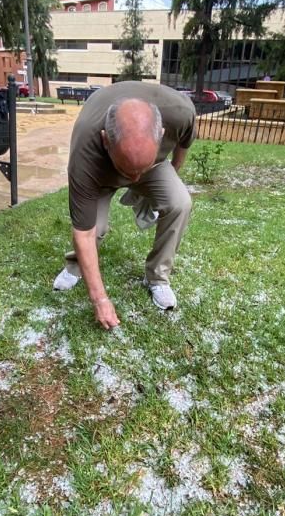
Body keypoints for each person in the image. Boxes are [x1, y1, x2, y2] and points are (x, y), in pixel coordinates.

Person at [52, 82, 196, 330]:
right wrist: (100, 300)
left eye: (139, 173)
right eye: (127, 172)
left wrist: (165, 179)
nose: (134, 181)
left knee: (180, 202)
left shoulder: (180, 112)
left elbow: (184, 142)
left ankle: (158, 278)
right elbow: (83, 232)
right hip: (102, 171)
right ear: (105, 140)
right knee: (95, 228)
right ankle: (75, 267)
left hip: (153, 164)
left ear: (161, 134)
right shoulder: (85, 151)